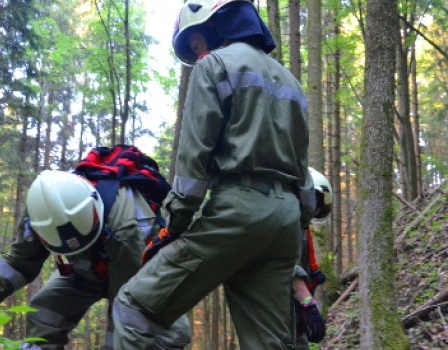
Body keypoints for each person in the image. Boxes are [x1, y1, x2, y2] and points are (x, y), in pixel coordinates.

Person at [112, 1, 316, 349]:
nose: (198, 51)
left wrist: (173, 224)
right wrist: (298, 220)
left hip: (239, 211)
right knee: (269, 342)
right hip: (286, 221)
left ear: (215, 26)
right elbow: (302, 168)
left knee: (134, 306)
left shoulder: (215, 65)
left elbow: (195, 156)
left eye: (196, 42)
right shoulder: (290, 81)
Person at [0, 146, 191, 350]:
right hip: (87, 270)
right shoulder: (39, 212)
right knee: (43, 315)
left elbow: (127, 306)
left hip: (144, 280)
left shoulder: (125, 229)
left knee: (164, 339)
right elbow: (16, 264)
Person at [293, 167, 332, 348]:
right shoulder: (287, 221)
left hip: (292, 313)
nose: (314, 212)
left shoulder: (300, 225)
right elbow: (286, 265)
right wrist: (308, 304)